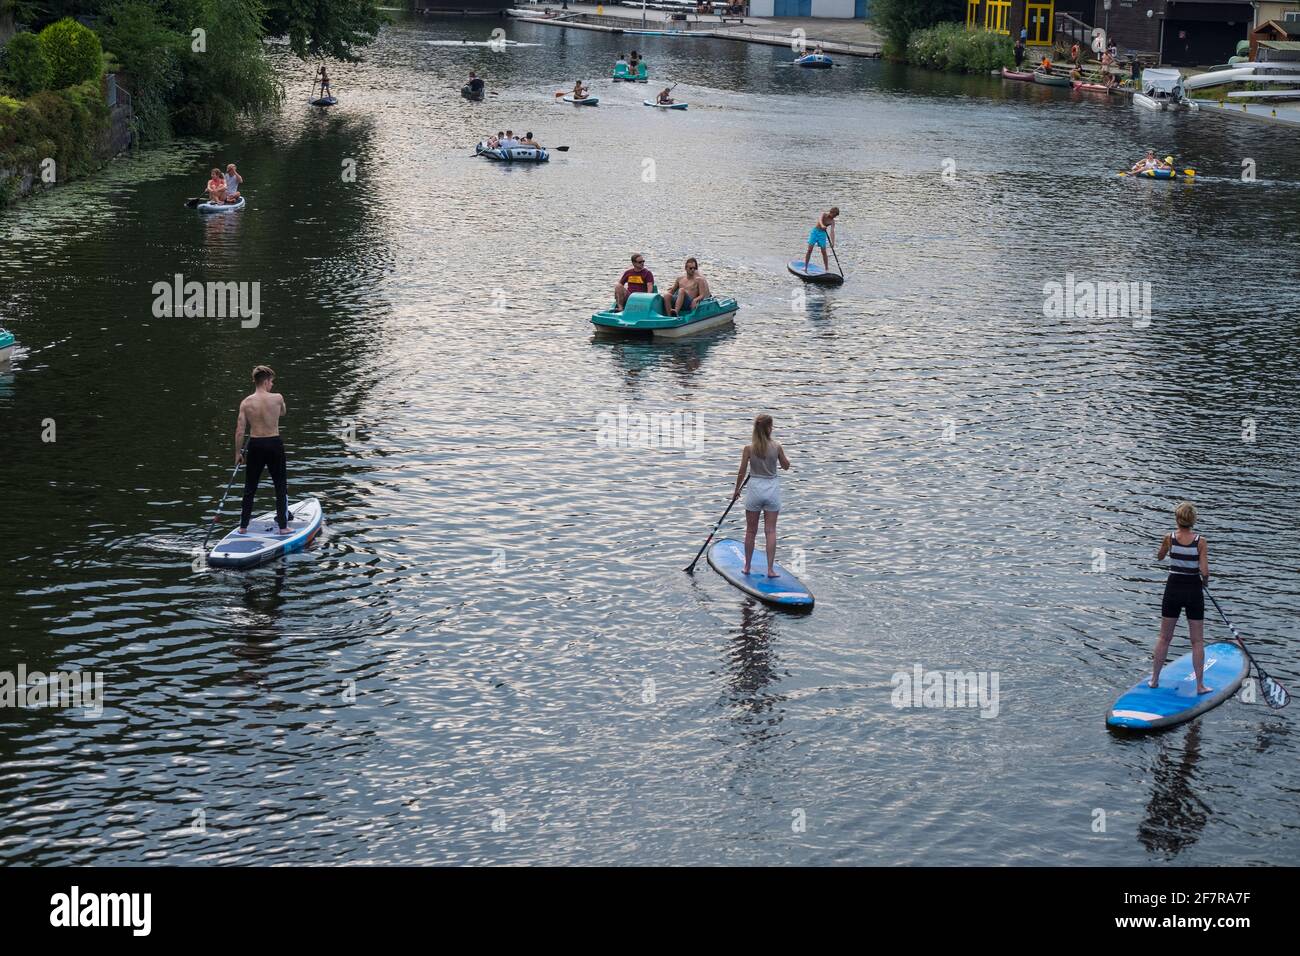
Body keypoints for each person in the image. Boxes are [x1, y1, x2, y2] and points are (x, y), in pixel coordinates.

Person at [1149, 502, 1211, 693]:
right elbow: (1205, 571)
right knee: (1197, 641)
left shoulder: (1169, 538)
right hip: (1193, 590)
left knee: (1164, 637)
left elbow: (1160, 557)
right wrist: (1205, 582)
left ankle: (1154, 680)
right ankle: (1200, 685)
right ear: (1193, 520)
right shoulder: (1200, 541)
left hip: (1173, 589)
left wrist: (1165, 548)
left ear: (1177, 519)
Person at [731, 414, 791, 578]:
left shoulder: (749, 449)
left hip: (755, 489)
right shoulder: (777, 447)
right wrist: (786, 460)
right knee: (770, 531)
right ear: (769, 428)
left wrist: (736, 491)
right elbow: (786, 466)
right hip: (771, 489)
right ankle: (770, 570)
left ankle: (747, 567)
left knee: (751, 531)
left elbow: (742, 471)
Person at [235, 366, 290, 535]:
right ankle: (283, 527)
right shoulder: (278, 398)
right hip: (274, 444)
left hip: (256, 445)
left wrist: (238, 453)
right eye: (271, 381)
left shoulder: (246, 402)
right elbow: (283, 413)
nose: (272, 384)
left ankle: (243, 527)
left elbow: (239, 430)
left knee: (250, 487)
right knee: (280, 486)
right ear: (266, 381)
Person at [802, 206, 839, 272]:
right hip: (815, 232)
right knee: (810, 249)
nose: (834, 217)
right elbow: (820, 220)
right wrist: (822, 225)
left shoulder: (832, 222)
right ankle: (805, 267)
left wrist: (833, 243)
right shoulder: (824, 214)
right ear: (831, 212)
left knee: (824, 251)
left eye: (835, 216)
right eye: (834, 215)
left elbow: (832, 232)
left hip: (822, 234)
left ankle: (827, 269)